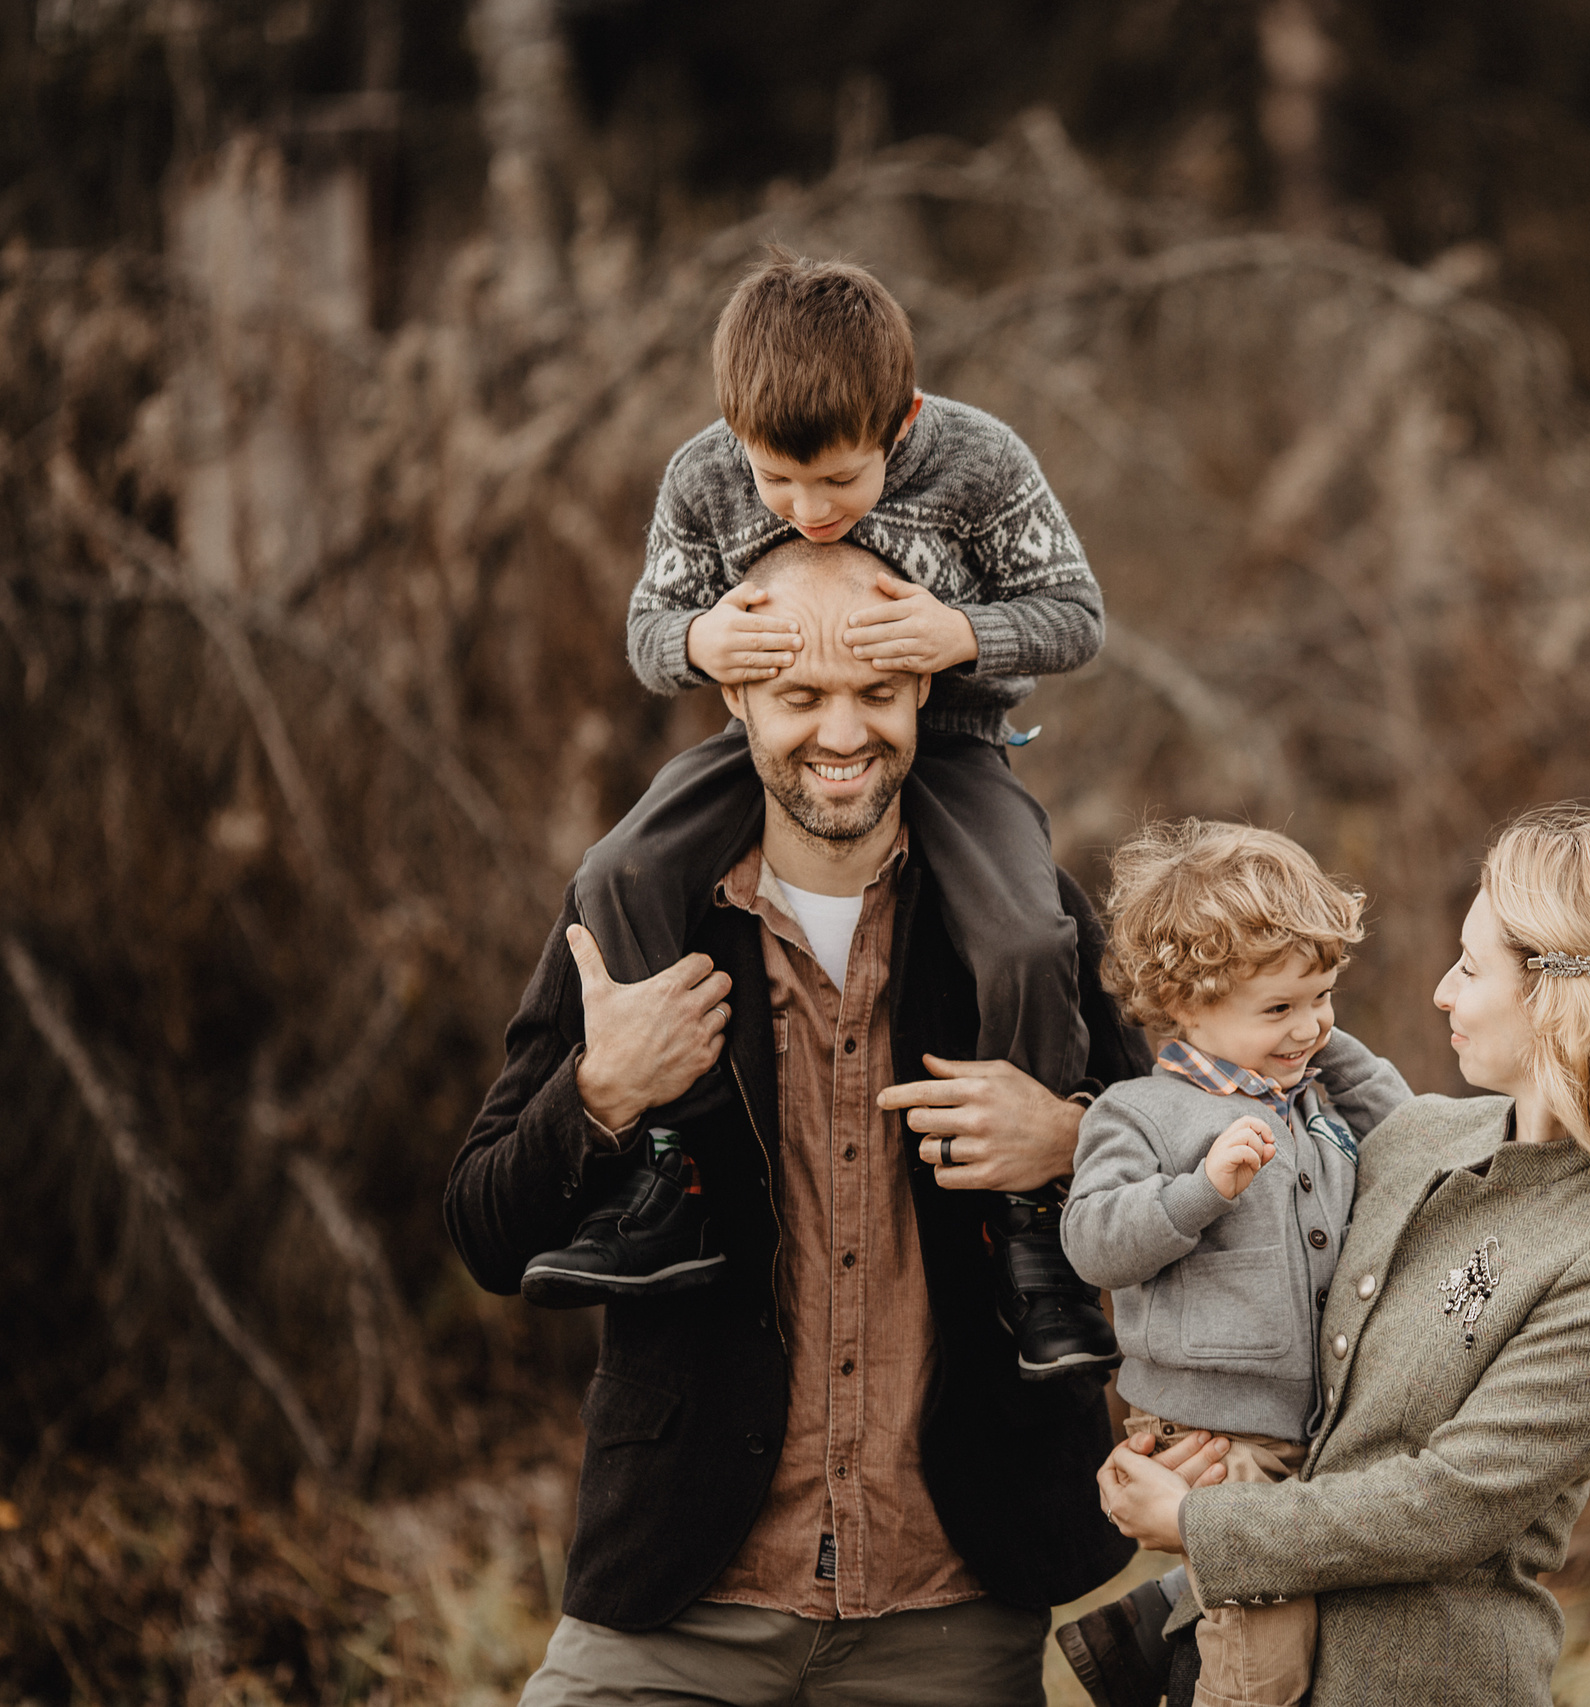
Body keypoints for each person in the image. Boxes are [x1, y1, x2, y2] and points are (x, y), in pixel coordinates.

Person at [446, 539, 1137, 1705]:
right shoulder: (639, 916)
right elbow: (483, 1228)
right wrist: (602, 1093)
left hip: (951, 1607)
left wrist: (1075, 1141)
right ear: (737, 695)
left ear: (924, 689)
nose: (841, 733)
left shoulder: (1023, 920)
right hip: (679, 1596)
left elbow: (1198, 1162)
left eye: (874, 693)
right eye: (800, 696)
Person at [526, 249, 1116, 1378]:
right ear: (735, 434)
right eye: (777, 484)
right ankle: (677, 1166)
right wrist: (699, 642)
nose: (807, 512)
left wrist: (965, 636)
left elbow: (1076, 614)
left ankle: (1032, 1224)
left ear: (899, 423)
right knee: (614, 874)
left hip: (949, 744)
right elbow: (651, 632)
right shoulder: (704, 476)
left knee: (1029, 933)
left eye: (838, 481)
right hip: (772, 744)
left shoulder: (981, 462)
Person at [1093, 805, 1590, 1707]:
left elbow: (1451, 1504)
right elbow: (1232, 1148)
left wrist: (1202, 1519)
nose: (1442, 992)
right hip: (1227, 1654)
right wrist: (1184, 1445)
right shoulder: (1414, 1138)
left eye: (1472, 967)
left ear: (1560, 993)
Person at [1058, 820, 1414, 1707]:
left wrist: (1315, 1041)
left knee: (1332, 1638)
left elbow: (1411, 1135)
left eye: (1323, 995)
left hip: (1324, 1430)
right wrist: (1200, 1191)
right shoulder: (1140, 1112)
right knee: (1264, 1661)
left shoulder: (1314, 1102)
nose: (1312, 1024)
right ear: (1187, 1004)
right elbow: (1092, 1237)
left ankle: (1148, 1635)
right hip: (1219, 1441)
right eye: (1280, 1008)